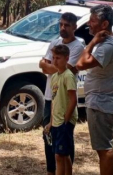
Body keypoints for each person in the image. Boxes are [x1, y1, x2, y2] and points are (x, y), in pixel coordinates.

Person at [76, 4, 113, 175]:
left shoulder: (107, 46)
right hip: (110, 103)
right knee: (106, 148)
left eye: (92, 21)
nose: (89, 24)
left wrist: (92, 42)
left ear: (104, 24)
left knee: (104, 150)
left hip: (102, 104)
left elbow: (80, 64)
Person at [39, 12, 84, 175]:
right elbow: (41, 64)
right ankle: (51, 170)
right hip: (51, 97)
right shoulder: (55, 42)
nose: (63, 28)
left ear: (74, 27)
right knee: (48, 136)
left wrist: (50, 66)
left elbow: (63, 69)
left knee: (64, 144)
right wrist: (48, 65)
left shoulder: (78, 46)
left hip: (64, 102)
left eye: (67, 25)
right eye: (61, 24)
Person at [43, 45, 78, 175]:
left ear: (67, 58)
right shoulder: (54, 77)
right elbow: (54, 100)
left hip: (65, 121)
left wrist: (66, 120)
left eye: (58, 58)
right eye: (53, 58)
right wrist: (51, 122)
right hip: (56, 120)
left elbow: (73, 99)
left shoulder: (68, 76)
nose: (55, 61)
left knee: (59, 155)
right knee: (64, 154)